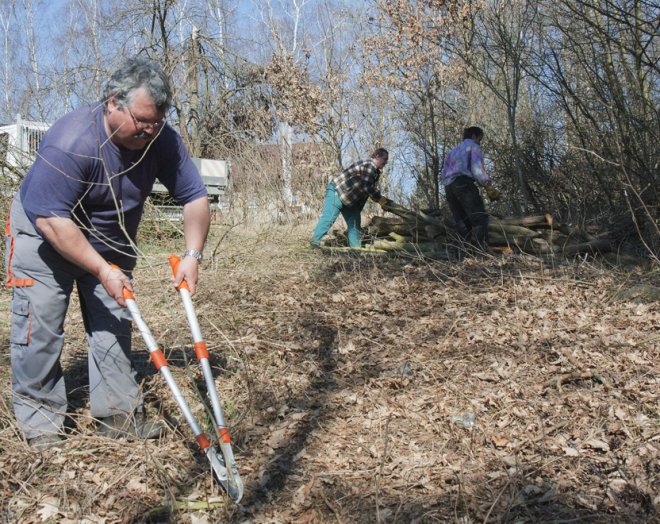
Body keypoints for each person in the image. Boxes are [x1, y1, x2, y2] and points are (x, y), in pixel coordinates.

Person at [5, 56, 211, 450]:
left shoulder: (161, 139)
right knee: (40, 327)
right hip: (43, 234)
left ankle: (118, 417)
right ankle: (41, 426)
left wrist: (192, 254)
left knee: (115, 323)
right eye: (142, 120)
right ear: (112, 102)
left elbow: (195, 197)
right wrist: (101, 268)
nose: (150, 131)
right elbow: (52, 221)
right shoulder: (71, 141)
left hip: (109, 242)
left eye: (157, 122)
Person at [311, 148, 393, 248]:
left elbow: (369, 191)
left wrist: (380, 200)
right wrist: (381, 200)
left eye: (387, 160)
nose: (386, 162)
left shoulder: (376, 173)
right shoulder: (369, 165)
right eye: (385, 159)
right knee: (329, 218)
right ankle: (314, 244)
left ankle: (356, 251)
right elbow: (367, 187)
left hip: (350, 200)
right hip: (337, 192)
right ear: (377, 156)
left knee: (355, 226)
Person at [441, 126, 500, 250]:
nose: (480, 142)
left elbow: (443, 173)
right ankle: (482, 252)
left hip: (449, 187)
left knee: (462, 223)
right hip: (464, 184)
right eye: (480, 139)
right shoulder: (474, 147)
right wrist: (488, 186)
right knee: (479, 219)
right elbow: (477, 170)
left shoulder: (453, 151)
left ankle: (463, 255)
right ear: (474, 136)